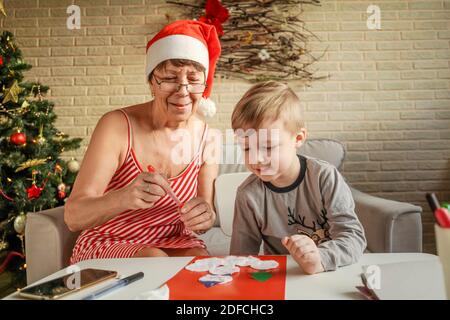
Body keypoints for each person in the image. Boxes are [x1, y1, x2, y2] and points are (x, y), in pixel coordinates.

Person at [65, 20, 221, 263]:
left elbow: (204, 216)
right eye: (170, 78)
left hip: (176, 241)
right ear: (151, 82)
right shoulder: (117, 125)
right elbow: (73, 217)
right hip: (109, 241)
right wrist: (124, 197)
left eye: (193, 79)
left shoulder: (208, 138)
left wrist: (204, 216)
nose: (183, 90)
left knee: (201, 265)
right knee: (154, 260)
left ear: (205, 85)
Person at [229, 81, 366, 274]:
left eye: (268, 147)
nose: (256, 158)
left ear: (298, 139)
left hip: (332, 271)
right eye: (246, 147)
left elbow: (353, 237)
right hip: (282, 278)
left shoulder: (323, 177)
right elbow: (241, 258)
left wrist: (320, 259)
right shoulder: (248, 194)